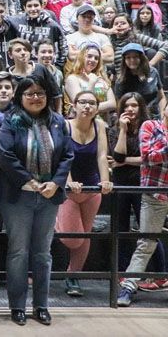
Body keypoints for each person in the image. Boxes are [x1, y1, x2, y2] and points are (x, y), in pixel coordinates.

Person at [0, 75, 74, 326]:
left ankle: (41, 305)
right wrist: (27, 181)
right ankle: (17, 306)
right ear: (20, 97)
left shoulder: (59, 122)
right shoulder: (11, 121)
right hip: (19, 196)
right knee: (19, 252)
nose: (35, 97)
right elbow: (5, 154)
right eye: (29, 93)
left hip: (49, 196)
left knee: (43, 254)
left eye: (40, 93)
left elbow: (67, 155)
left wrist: (56, 182)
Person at [56, 90, 113, 297]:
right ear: (74, 105)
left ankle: (73, 276)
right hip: (69, 189)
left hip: (91, 189)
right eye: (83, 102)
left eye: (92, 103)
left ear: (97, 108)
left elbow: (101, 155)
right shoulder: (64, 125)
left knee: (85, 234)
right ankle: (56, 222)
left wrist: (105, 180)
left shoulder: (99, 126)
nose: (87, 107)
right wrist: (69, 182)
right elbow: (62, 157)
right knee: (73, 239)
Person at [118, 101, 168, 306]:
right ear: (164, 109)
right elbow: (148, 156)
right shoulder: (151, 126)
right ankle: (128, 287)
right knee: (146, 243)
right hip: (156, 193)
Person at [113, 43, 166, 119]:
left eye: (135, 57)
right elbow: (120, 105)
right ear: (124, 60)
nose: (132, 60)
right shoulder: (120, 80)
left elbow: (161, 97)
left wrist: (162, 115)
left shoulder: (153, 72)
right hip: (133, 120)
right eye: (128, 57)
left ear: (141, 58)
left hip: (154, 118)